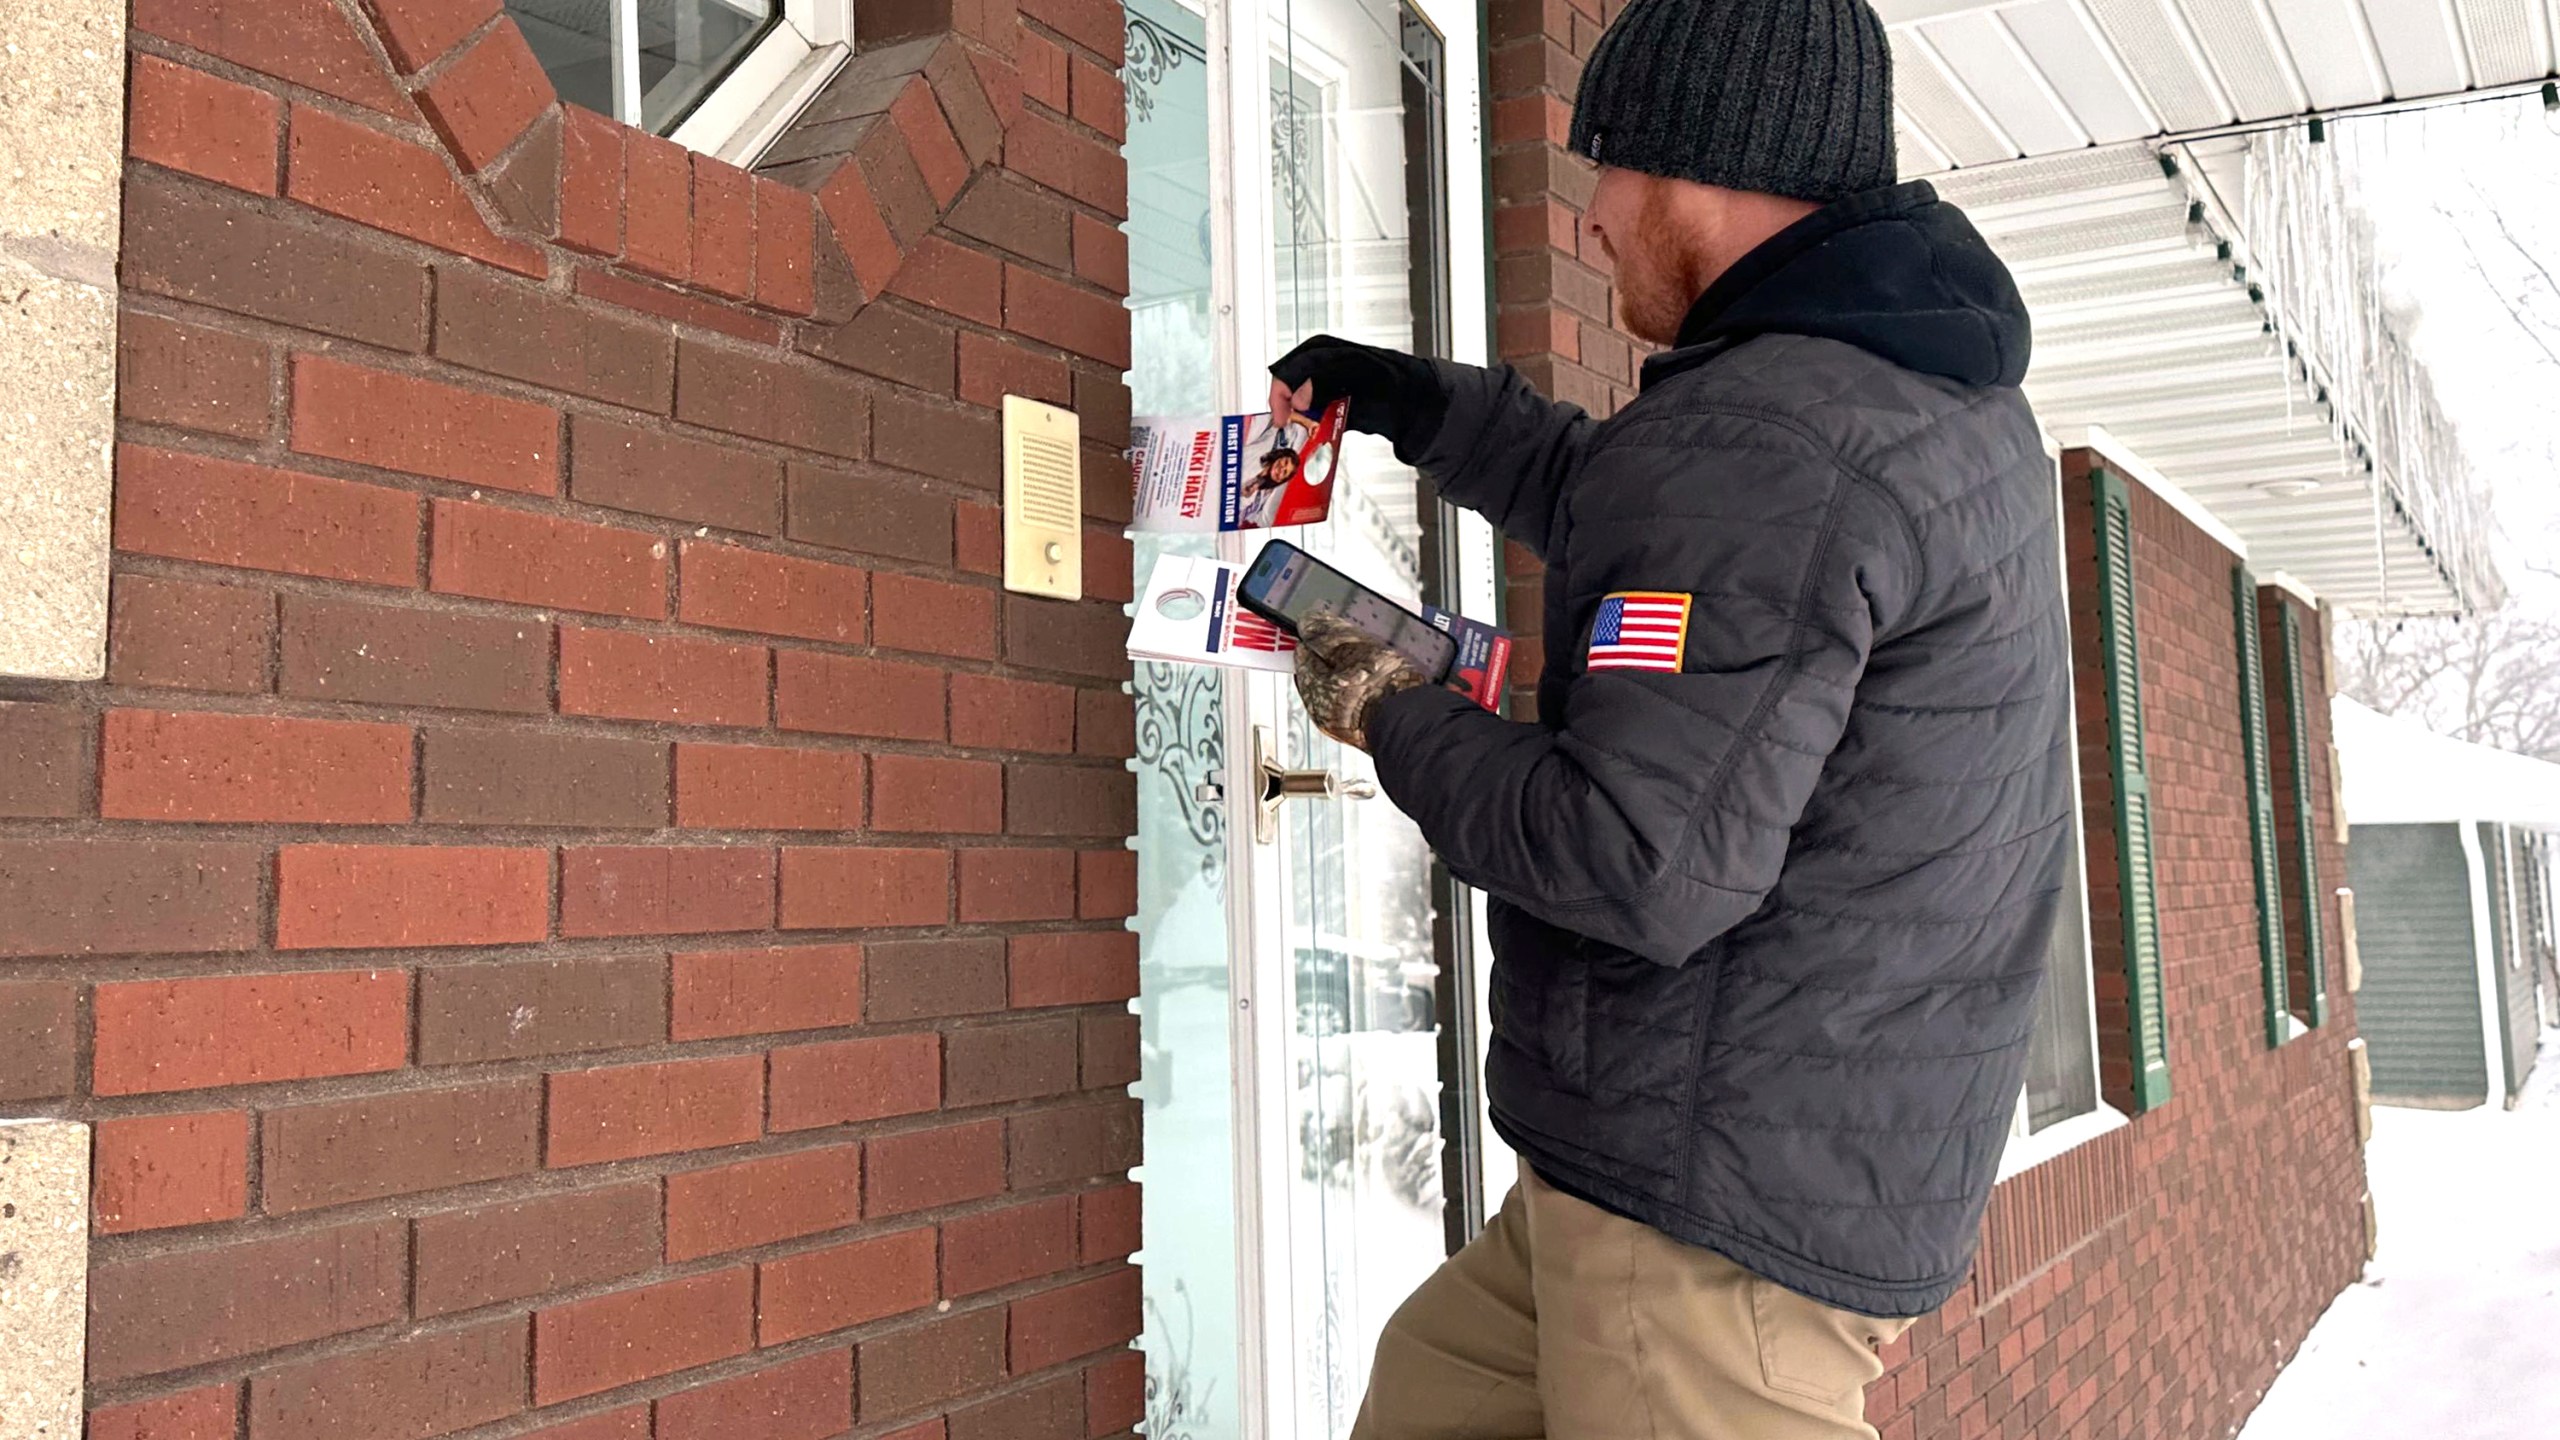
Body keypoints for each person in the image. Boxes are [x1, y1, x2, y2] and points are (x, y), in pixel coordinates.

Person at [1270, 0, 2069, 1435]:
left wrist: (1394, 711)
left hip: (1714, 1222)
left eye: (1606, 169)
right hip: (1722, 1149)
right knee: (1432, 1393)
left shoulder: (1778, 439)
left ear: (1701, 167)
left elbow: (1633, 859)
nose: (1589, 219)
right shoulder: (1899, 396)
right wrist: (1422, 407)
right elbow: (1653, 519)